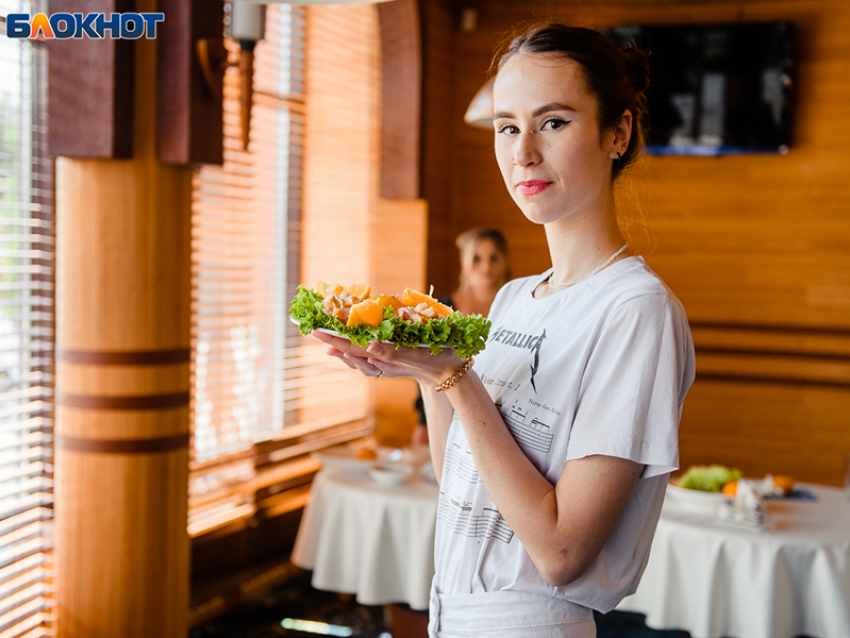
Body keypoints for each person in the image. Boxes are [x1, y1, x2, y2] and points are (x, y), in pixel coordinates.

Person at [312, 21, 696, 638]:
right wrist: (422, 367)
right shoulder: (514, 299)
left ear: (617, 132)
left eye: (554, 122)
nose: (523, 153)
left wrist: (456, 376)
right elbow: (458, 474)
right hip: (452, 613)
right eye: (508, 126)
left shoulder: (635, 310)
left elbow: (562, 551)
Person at [413, 228, 511, 441]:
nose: (486, 266)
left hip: (505, 419)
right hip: (447, 412)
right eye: (477, 258)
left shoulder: (518, 308)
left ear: (505, 261)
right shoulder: (442, 309)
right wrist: (423, 421)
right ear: (464, 263)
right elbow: (423, 362)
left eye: (494, 257)